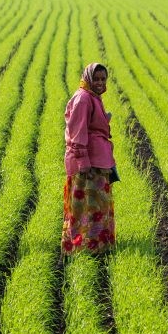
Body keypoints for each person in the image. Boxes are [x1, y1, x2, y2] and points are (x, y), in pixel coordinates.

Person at [62, 63, 117, 255]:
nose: (100, 83)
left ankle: (97, 246)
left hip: (99, 161)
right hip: (87, 165)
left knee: (98, 206)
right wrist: (83, 163)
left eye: (103, 79)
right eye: (96, 79)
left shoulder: (93, 97)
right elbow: (76, 134)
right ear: (87, 79)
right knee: (84, 207)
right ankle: (82, 247)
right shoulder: (83, 99)